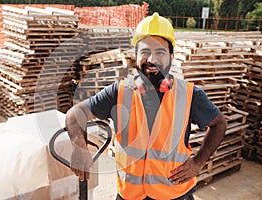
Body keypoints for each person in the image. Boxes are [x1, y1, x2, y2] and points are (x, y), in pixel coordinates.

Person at [65, 12, 227, 200]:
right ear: (136, 55)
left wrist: (198, 162)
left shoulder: (190, 95)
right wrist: (78, 145)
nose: (151, 59)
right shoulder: (118, 93)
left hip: (174, 195)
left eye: (160, 52)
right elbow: (75, 114)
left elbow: (219, 124)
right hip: (130, 195)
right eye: (145, 51)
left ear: (171, 56)